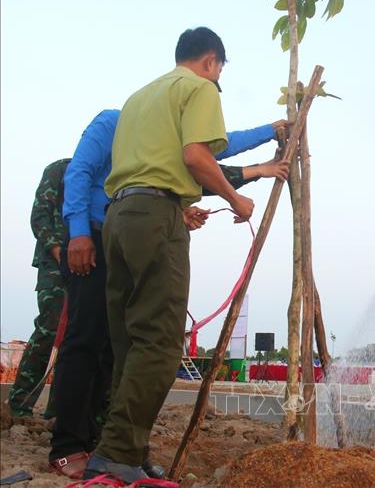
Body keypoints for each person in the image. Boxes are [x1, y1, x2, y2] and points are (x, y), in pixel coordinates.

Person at [48, 106, 288, 482]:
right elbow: (78, 173)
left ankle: (108, 445)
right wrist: (78, 231)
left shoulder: (165, 135)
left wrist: (271, 131)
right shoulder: (114, 121)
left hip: (127, 243)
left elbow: (215, 148)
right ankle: (66, 446)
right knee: (85, 340)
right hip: (94, 237)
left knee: (121, 347)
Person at [84, 26, 272, 482]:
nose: (216, 79)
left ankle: (121, 451)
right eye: (219, 71)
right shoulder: (199, 88)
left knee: (130, 342)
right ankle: (119, 454)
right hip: (155, 219)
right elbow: (195, 156)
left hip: (120, 216)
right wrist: (235, 197)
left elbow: (165, 160)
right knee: (162, 343)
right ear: (211, 62)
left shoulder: (140, 98)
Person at [8, 159, 70, 419]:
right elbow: (40, 215)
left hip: (91, 264)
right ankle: (19, 406)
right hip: (55, 262)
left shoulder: (110, 174)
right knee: (49, 329)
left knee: (76, 339)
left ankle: (58, 412)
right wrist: (57, 249)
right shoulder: (61, 170)